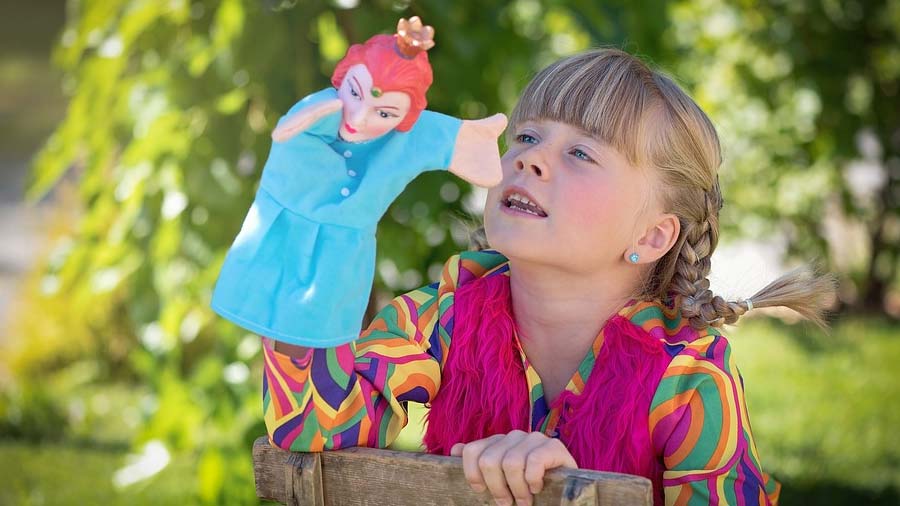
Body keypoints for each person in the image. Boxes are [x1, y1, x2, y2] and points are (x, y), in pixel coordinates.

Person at [261, 48, 835, 506]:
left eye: (582, 154)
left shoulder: (688, 381)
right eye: (528, 137)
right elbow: (314, 430)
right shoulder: (444, 316)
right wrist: (316, 247)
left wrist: (573, 490)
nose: (528, 159)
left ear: (652, 237)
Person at [211, 18, 506, 347]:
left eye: (384, 114)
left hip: (341, 254)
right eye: (355, 93)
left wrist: (480, 141)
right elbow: (286, 129)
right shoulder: (316, 113)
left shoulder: (409, 137)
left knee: (315, 346)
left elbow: (457, 142)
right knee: (275, 333)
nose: (361, 117)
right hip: (281, 231)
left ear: (405, 118)